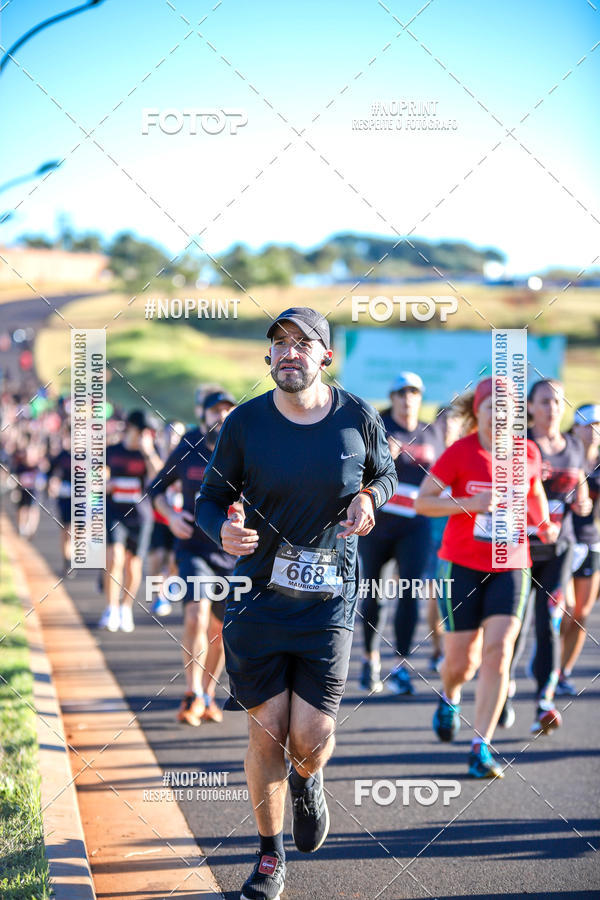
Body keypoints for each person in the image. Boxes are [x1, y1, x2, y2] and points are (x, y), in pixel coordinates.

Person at [196, 307, 396, 900]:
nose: (289, 352)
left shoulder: (358, 416)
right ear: (269, 356)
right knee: (267, 731)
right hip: (259, 597)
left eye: (302, 344)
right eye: (280, 343)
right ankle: (269, 855)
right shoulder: (245, 423)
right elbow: (209, 498)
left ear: (324, 356)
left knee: (310, 735)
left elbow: (386, 473)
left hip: (329, 599)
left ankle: (308, 780)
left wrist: (370, 497)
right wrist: (220, 530)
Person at [415, 377, 558, 777]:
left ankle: (481, 746)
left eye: (506, 408)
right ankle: (450, 695)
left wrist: (544, 523)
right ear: (477, 411)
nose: (499, 414)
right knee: (462, 663)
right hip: (462, 564)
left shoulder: (528, 452)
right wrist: (469, 503)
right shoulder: (460, 453)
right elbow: (423, 503)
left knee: (499, 649)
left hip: (511, 564)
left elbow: (535, 495)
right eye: (492, 406)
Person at [149, 391, 237, 725]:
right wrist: (171, 517)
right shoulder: (189, 445)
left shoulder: (245, 447)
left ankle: (207, 694)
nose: (222, 416)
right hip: (194, 548)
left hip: (230, 554)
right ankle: (192, 693)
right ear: (203, 414)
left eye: (228, 410)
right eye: (216, 410)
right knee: (195, 616)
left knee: (220, 630)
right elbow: (156, 489)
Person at [358, 372, 444, 695]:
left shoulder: (431, 431)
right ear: (392, 397)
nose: (408, 398)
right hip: (377, 524)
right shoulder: (377, 427)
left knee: (409, 594)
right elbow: (356, 470)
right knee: (373, 594)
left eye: (414, 393)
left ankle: (400, 667)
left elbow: (442, 474)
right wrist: (383, 459)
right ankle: (370, 658)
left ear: (420, 397)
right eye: (401, 393)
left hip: (414, 525)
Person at [513, 380, 592, 732]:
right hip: (520, 549)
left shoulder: (573, 445)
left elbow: (580, 488)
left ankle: (544, 702)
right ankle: (503, 687)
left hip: (560, 550)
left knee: (549, 621)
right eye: (544, 402)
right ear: (531, 407)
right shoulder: (519, 444)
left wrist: (583, 503)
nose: (552, 408)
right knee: (514, 624)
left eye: (557, 401)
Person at [99, 410, 162, 633]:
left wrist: (149, 452)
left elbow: (160, 478)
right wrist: (104, 483)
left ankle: (126, 608)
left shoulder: (151, 451)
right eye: (144, 430)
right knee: (114, 557)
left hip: (140, 515)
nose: (147, 435)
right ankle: (111, 608)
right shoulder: (113, 450)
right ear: (133, 429)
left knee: (133, 565)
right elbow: (98, 474)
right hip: (115, 512)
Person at [557, 404, 600, 693]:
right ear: (575, 428)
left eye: (598, 425)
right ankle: (547, 658)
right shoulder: (564, 454)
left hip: (591, 541)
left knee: (582, 614)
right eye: (587, 425)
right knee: (566, 610)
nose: (593, 431)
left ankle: (564, 673)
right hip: (563, 541)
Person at [147, 420, 185, 617]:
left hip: (179, 517)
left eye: (178, 434)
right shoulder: (156, 455)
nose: (173, 438)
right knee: (157, 558)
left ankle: (165, 592)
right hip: (158, 518)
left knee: (173, 560)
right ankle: (158, 596)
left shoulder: (187, 457)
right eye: (170, 433)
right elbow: (156, 480)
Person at [47, 429, 73, 576]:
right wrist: (52, 482)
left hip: (82, 497)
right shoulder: (62, 456)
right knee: (66, 529)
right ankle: (67, 561)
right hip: (64, 496)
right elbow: (50, 472)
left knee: (78, 530)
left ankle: (74, 554)